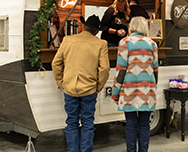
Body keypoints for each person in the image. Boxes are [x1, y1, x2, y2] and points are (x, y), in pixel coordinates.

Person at [52, 14, 110, 152]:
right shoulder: (101, 44)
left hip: (70, 88)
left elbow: (56, 64)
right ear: (97, 31)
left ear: (84, 26)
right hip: (89, 89)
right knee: (88, 123)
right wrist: (99, 86)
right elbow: (105, 68)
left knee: (71, 122)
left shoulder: (67, 40)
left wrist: (61, 83)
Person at [111, 16, 158, 152]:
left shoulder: (125, 42)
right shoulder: (152, 44)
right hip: (147, 91)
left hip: (129, 91)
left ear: (131, 27)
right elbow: (155, 70)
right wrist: (152, 88)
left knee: (130, 125)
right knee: (144, 125)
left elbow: (120, 70)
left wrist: (115, 93)